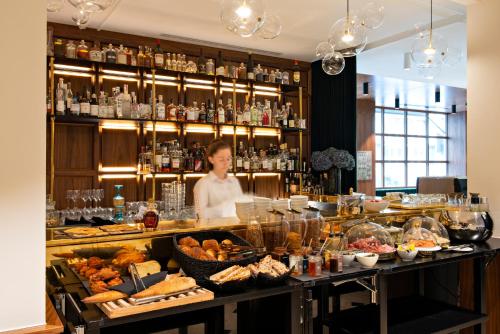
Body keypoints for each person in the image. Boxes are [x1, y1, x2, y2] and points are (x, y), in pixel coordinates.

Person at [194, 139, 243, 219]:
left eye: (228, 159)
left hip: (235, 229)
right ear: (211, 159)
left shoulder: (234, 181)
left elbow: (241, 209)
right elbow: (201, 215)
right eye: (221, 159)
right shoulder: (203, 184)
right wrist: (226, 207)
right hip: (213, 231)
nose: (226, 163)